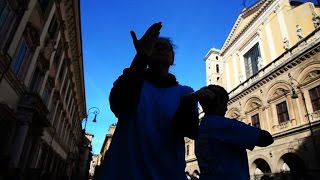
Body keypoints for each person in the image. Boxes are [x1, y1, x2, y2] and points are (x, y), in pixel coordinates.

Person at [95, 22, 201, 180]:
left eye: (164, 47)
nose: (158, 48)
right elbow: (119, 106)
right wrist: (141, 56)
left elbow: (191, 132)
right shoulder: (128, 79)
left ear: (172, 59)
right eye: (155, 45)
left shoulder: (185, 93)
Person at [195, 85, 274, 180]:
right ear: (219, 103)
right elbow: (266, 139)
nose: (226, 108)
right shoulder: (224, 125)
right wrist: (244, 129)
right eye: (225, 103)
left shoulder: (200, 129)